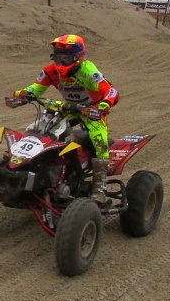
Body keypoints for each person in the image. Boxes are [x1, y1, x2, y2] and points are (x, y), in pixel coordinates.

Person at [12, 34, 120, 205]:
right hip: (69, 108)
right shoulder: (50, 70)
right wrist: (24, 93)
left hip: (91, 110)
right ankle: (27, 166)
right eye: (58, 57)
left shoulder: (88, 71)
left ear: (77, 57)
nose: (61, 62)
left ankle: (99, 187)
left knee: (99, 140)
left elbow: (112, 91)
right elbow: (37, 87)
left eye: (66, 58)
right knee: (39, 129)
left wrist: (102, 106)